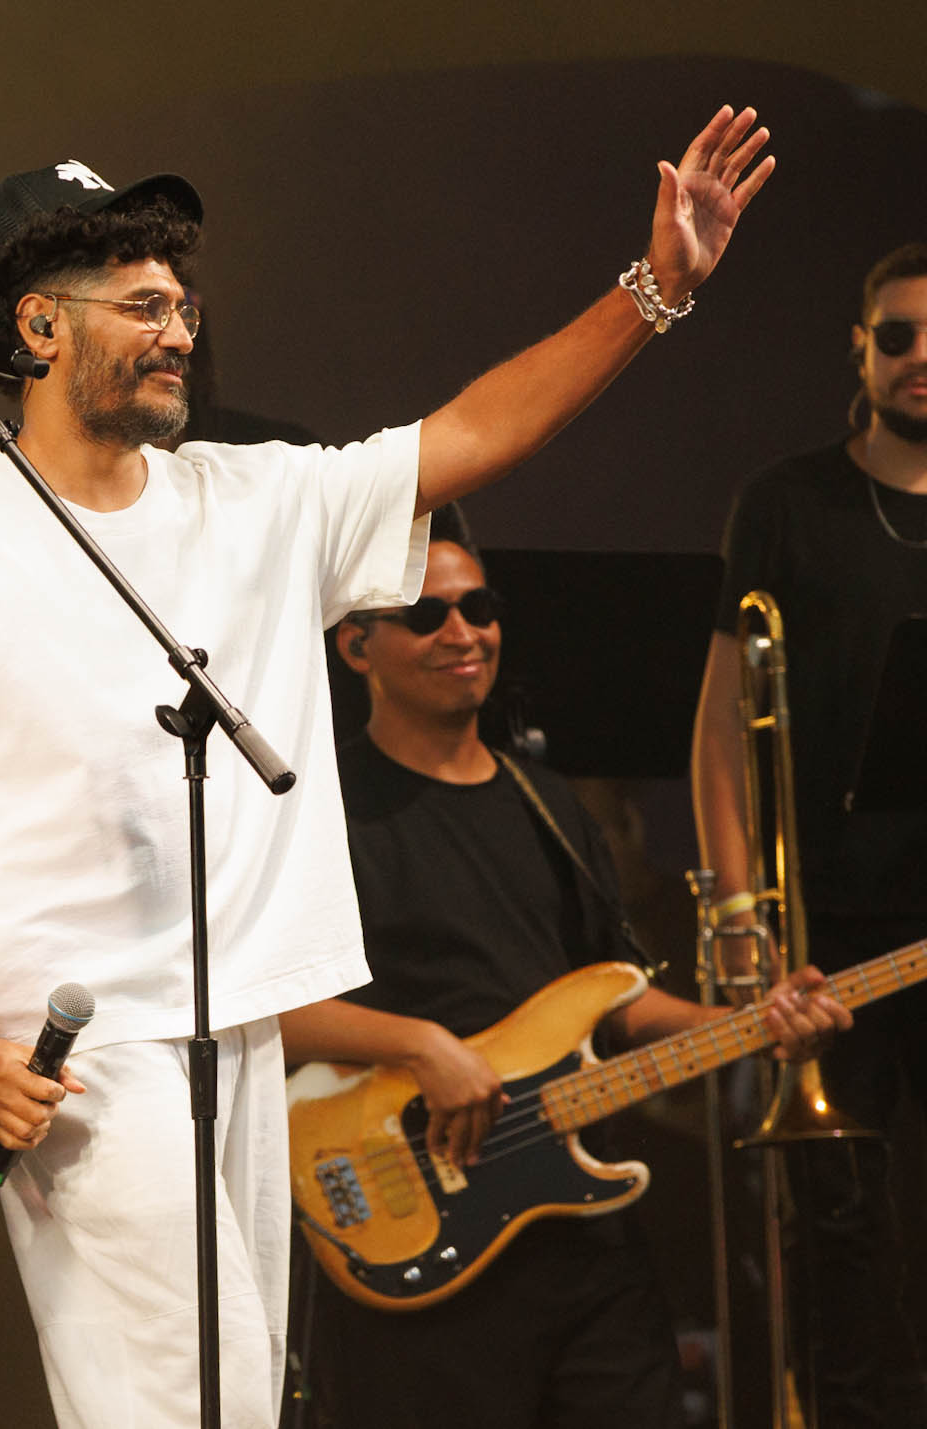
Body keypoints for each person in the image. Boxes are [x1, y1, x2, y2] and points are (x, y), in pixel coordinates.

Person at [0, 107, 776, 1429]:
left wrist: (655, 289)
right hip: (89, 1057)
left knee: (241, 1404)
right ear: (39, 328)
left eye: (184, 302)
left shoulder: (251, 498)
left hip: (243, 1029)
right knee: (169, 1405)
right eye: (142, 302)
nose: (178, 330)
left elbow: (474, 434)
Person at [277, 520, 846, 1429]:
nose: (464, 633)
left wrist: (753, 1024)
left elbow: (613, 999)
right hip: (418, 1227)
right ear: (356, 646)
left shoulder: (550, 804)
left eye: (481, 608)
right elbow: (258, 1010)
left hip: (582, 1243)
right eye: (427, 615)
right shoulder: (319, 817)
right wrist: (422, 1046)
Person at [691, 240, 927, 1427]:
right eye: (895, 336)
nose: (919, 358)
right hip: (830, 939)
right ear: (859, 347)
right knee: (846, 1252)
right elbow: (723, 728)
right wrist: (739, 913)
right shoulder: (786, 503)